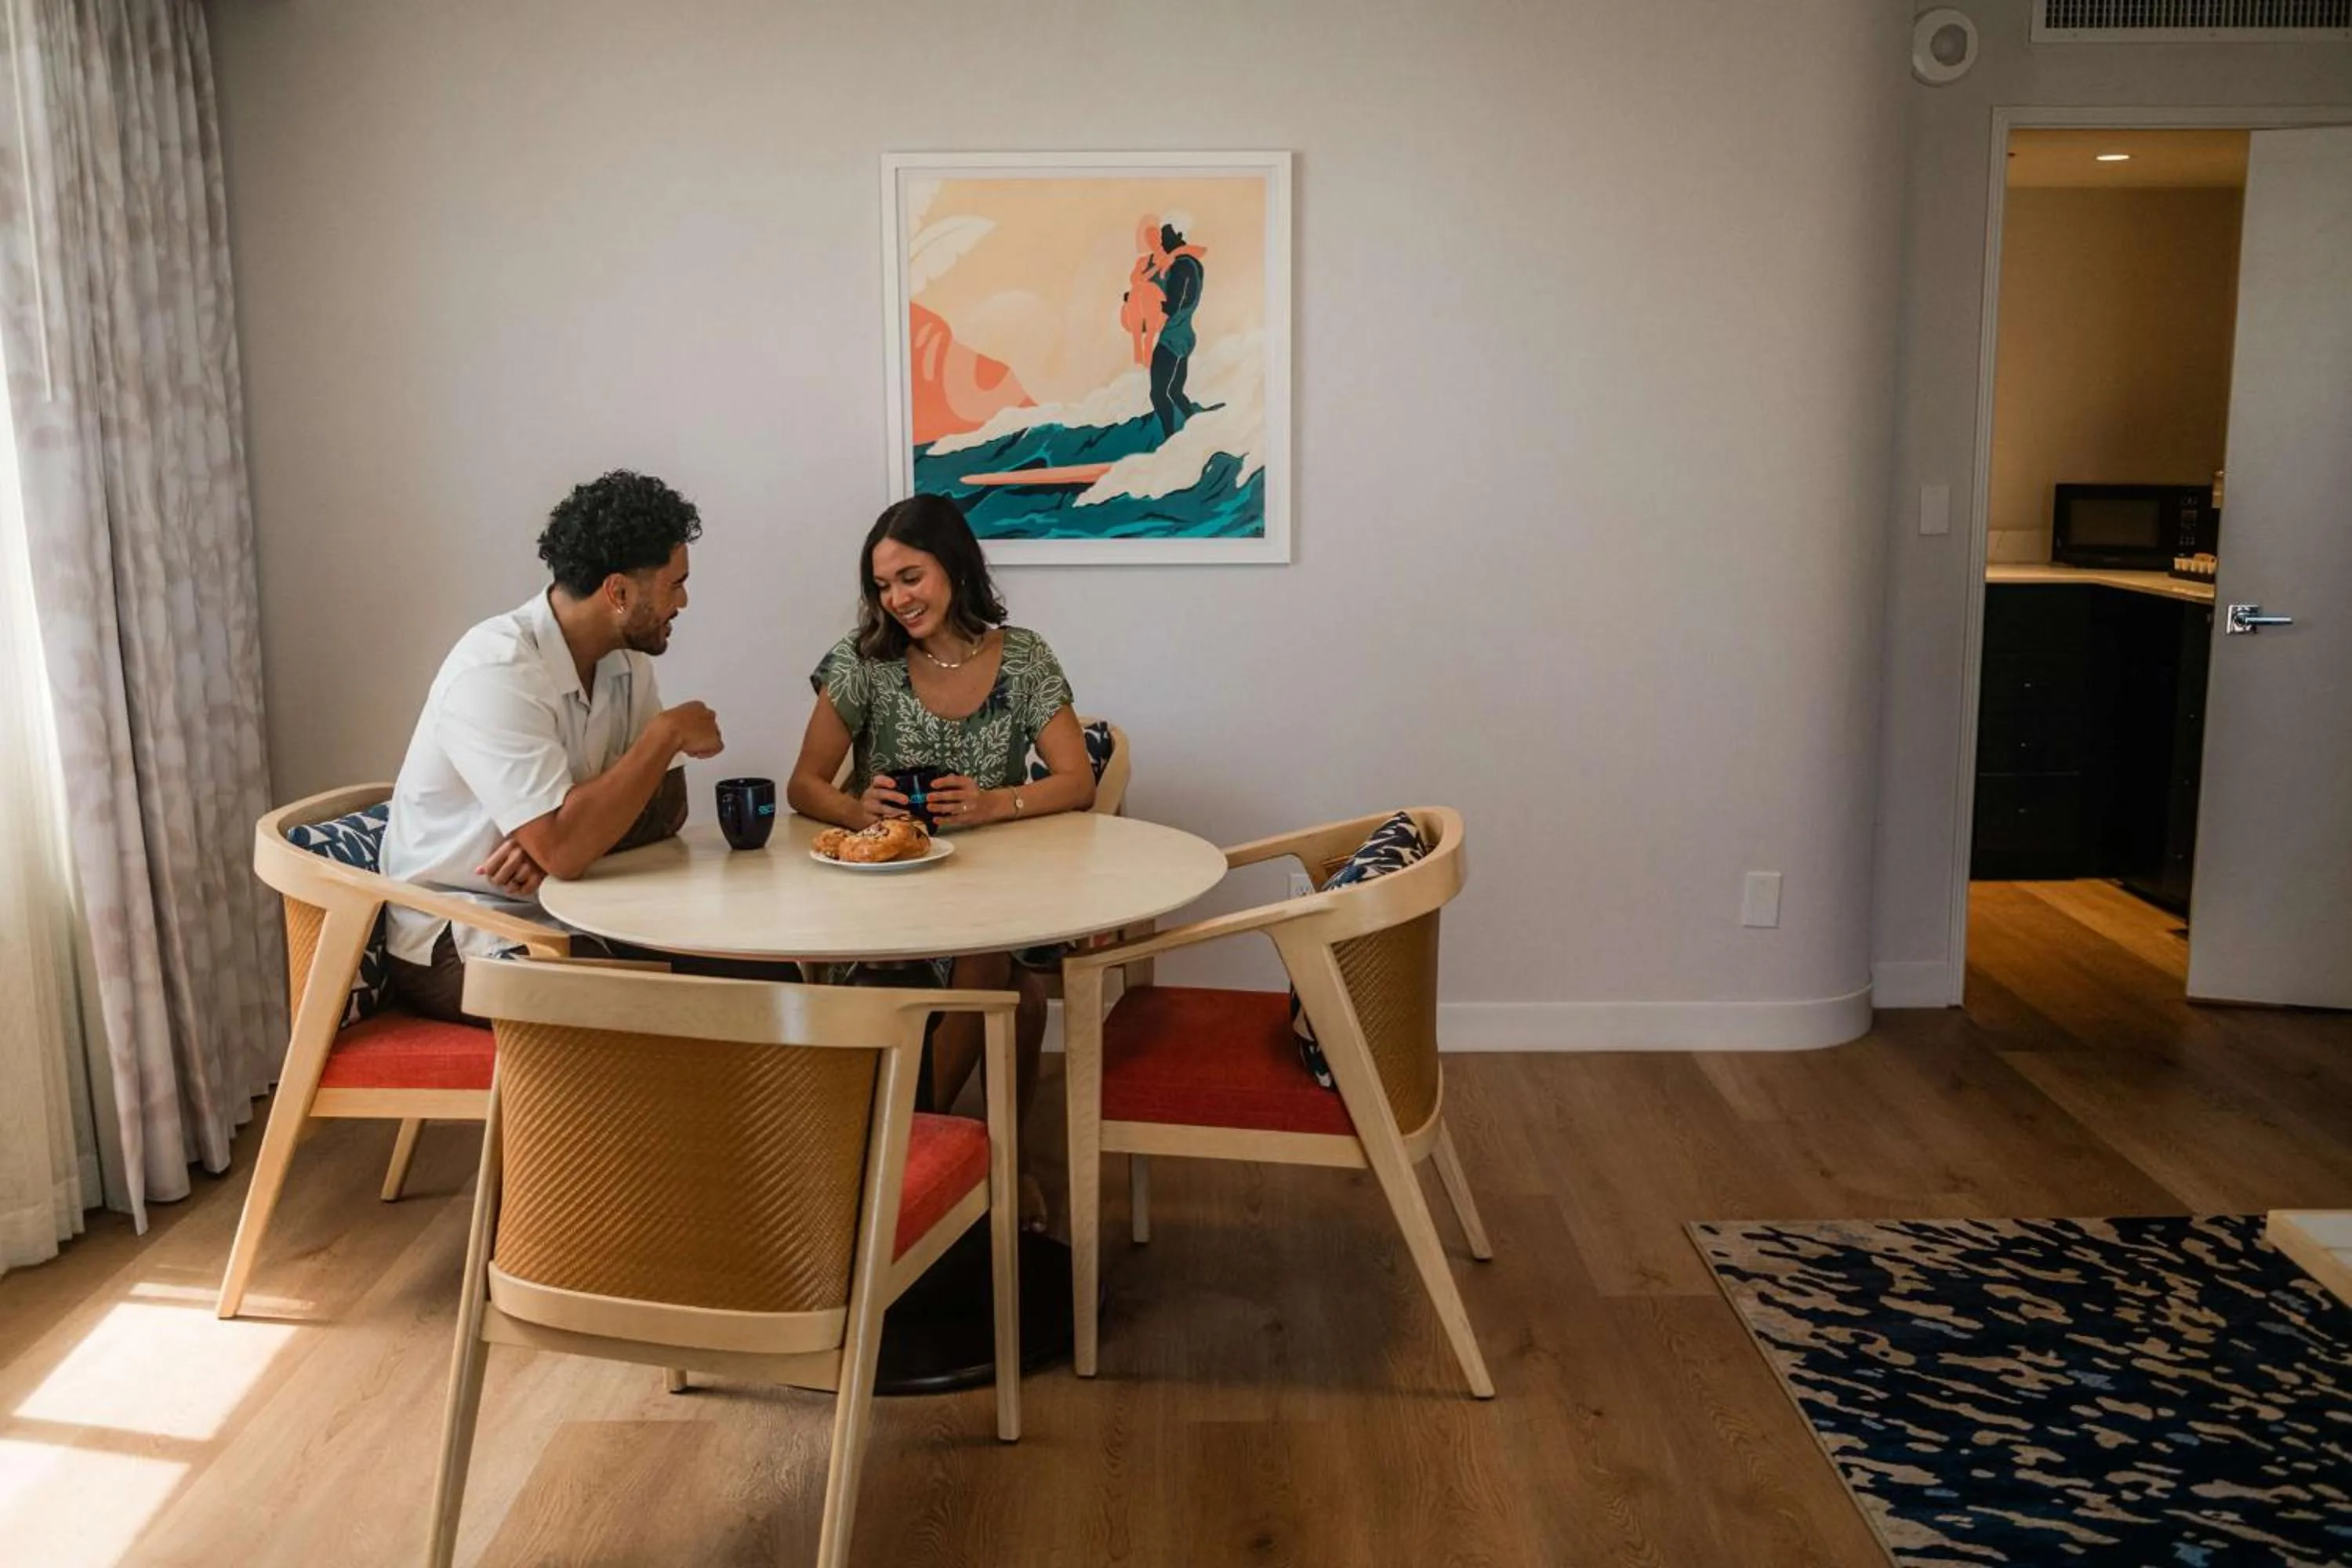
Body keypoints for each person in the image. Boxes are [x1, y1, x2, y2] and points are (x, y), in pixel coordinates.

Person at [787, 493, 1095, 1226]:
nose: (897, 599)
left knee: (999, 963)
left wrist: (994, 804)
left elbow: (1076, 780)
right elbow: (803, 785)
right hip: (885, 900)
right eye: (883, 586)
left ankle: (932, 1151)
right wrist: (860, 810)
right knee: (1014, 990)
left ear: (954, 566)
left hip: (992, 889)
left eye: (910, 577)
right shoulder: (863, 662)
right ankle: (957, 1160)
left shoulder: (1023, 657)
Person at [380, 470, 724, 1022]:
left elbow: (665, 810)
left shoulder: (626, 660)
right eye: (674, 584)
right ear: (619, 592)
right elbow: (566, 848)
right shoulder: (495, 670)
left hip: (575, 905)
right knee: (654, 1009)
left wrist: (563, 836)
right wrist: (665, 737)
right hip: (462, 927)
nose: (682, 601)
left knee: (758, 975)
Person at [1148, 218, 1208, 438]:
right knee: (1175, 391)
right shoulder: (1194, 265)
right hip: (1186, 336)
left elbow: (1172, 305)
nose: (1162, 244)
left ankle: (1170, 439)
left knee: (1158, 394)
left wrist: (1148, 302)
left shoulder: (1180, 266)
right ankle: (1197, 427)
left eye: (1165, 239)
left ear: (1176, 239)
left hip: (1172, 337)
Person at [1118, 212, 1167, 365]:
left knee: (1148, 290)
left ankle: (1148, 341)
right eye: (1149, 239)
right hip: (1141, 303)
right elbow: (1135, 280)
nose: (1152, 242)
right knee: (1138, 291)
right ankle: (1139, 346)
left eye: (1155, 237)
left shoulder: (1168, 259)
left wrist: (1147, 277)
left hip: (1161, 302)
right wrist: (1155, 268)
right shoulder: (1144, 261)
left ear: (1160, 238)